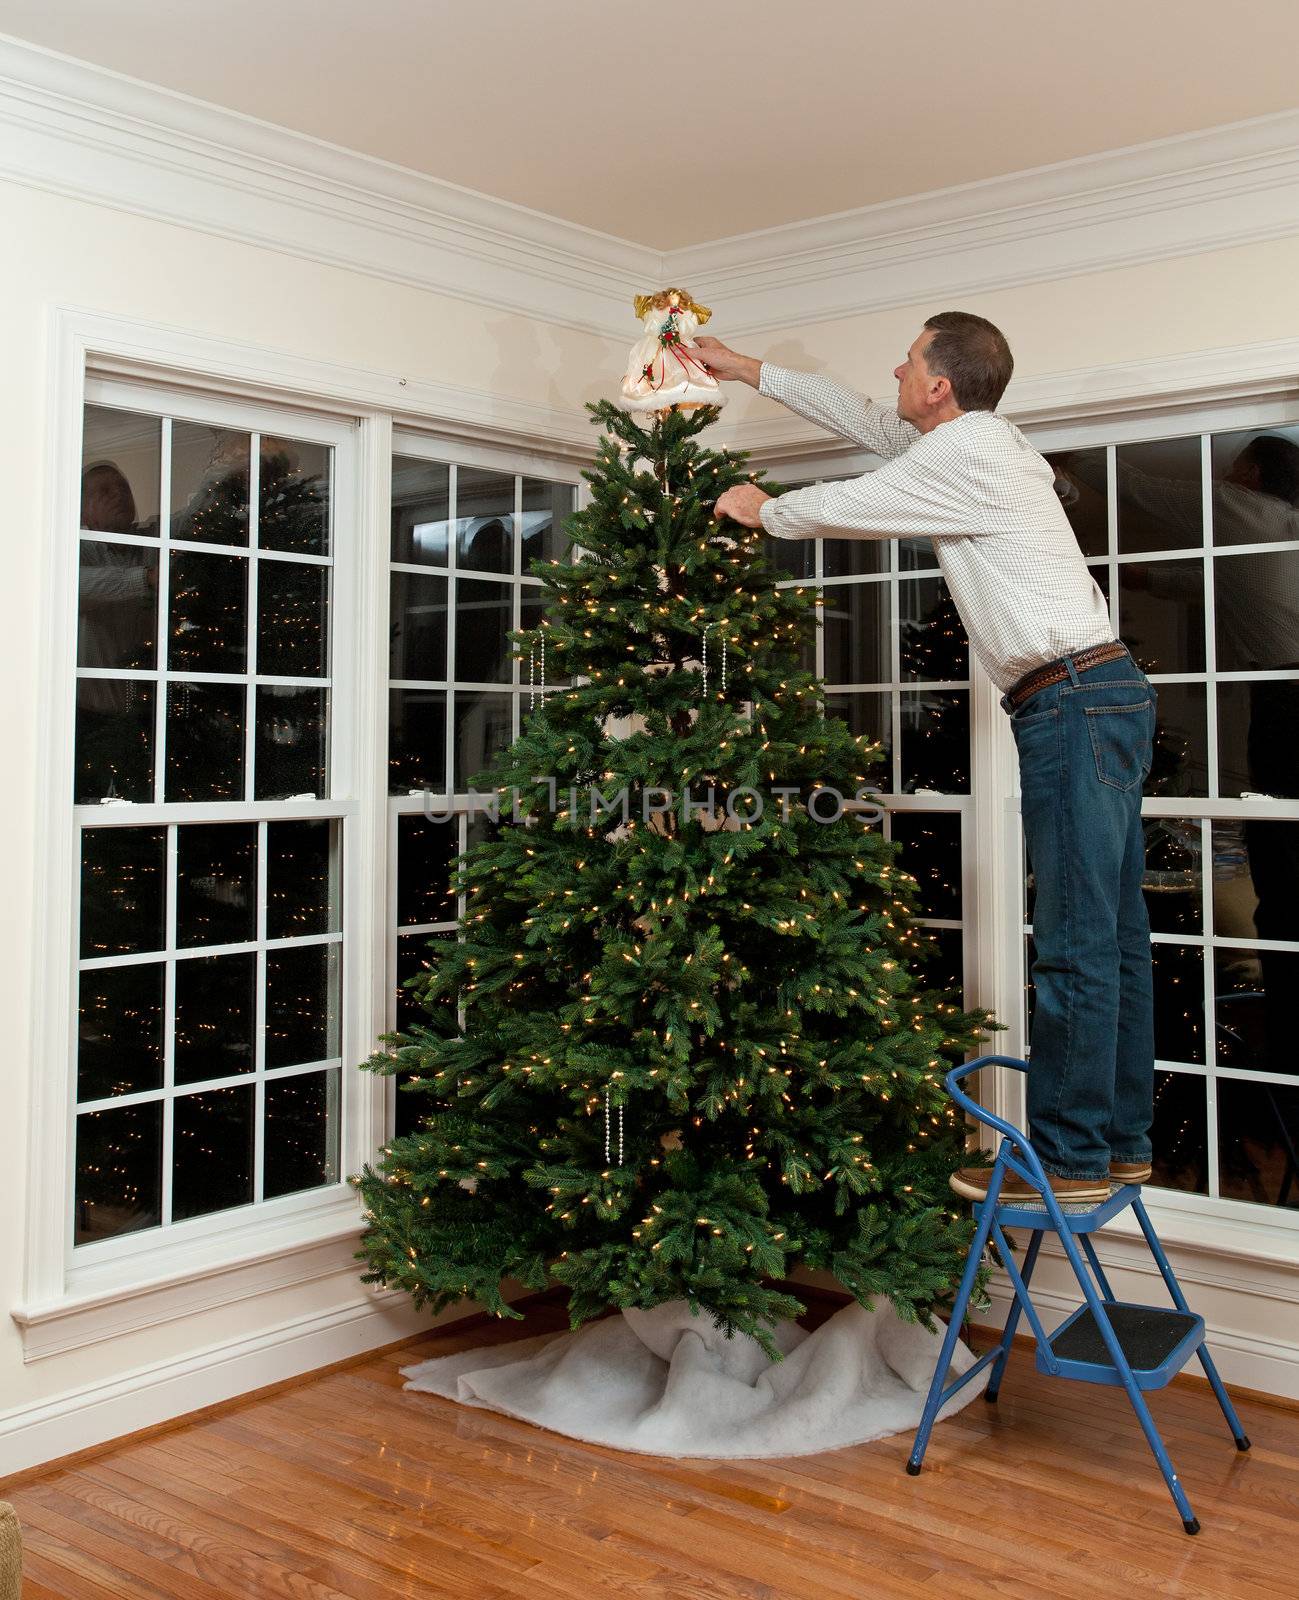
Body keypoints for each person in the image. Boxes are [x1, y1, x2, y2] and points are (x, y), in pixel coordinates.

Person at [695, 313, 1155, 1203]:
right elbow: (866, 421)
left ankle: (1066, 1160)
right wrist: (746, 369)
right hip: (1092, 695)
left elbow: (853, 505)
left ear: (939, 385)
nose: (895, 375)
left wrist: (767, 511)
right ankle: (1116, 1142)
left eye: (907, 364)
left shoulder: (973, 451)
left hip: (1071, 702)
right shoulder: (970, 441)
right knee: (1112, 939)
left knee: (1075, 945)